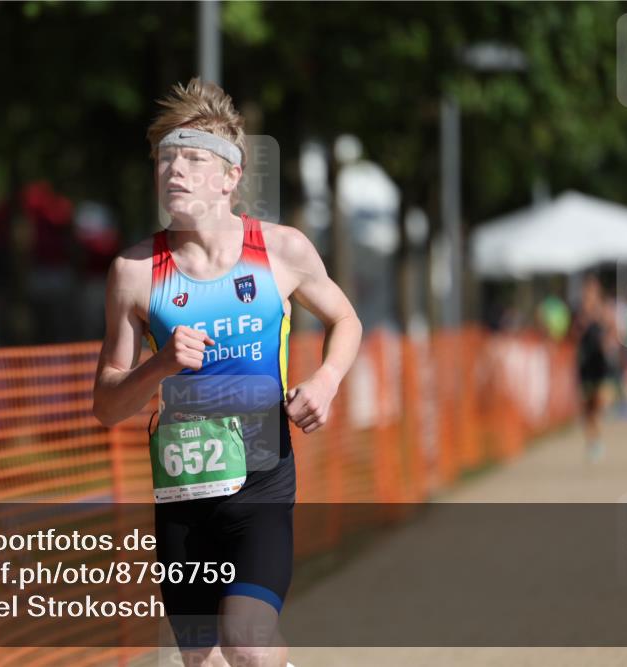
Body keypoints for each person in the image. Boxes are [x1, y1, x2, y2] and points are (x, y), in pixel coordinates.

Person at [92, 78, 362, 667]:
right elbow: (107, 405)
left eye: (193, 159)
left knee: (247, 641)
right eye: (166, 160)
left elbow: (346, 319)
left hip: (262, 484)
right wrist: (159, 365)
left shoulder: (281, 251)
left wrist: (325, 381)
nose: (175, 171)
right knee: (205, 662)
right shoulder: (134, 273)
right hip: (182, 494)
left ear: (230, 176)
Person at [571, 274, 610, 463]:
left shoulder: (602, 311)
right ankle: (592, 443)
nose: (589, 294)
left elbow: (612, 331)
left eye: (593, 291)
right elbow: (573, 336)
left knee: (598, 405)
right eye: (587, 291)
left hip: (599, 364)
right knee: (587, 409)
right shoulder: (579, 313)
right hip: (585, 365)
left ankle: (598, 439)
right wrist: (583, 323)